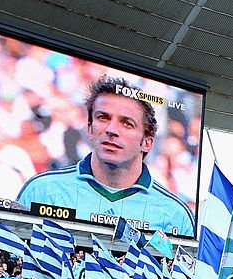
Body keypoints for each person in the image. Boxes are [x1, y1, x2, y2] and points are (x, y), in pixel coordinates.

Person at [16, 76, 196, 236]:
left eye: (127, 123)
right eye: (103, 117)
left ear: (147, 142)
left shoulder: (175, 215)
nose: (111, 130)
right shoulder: (41, 190)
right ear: (89, 129)